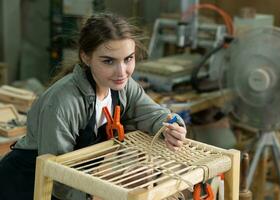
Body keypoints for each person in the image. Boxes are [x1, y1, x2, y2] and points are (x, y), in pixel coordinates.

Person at [0, 12, 187, 200]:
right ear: (86, 57)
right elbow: (59, 178)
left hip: (73, 184)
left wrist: (172, 126)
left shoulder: (123, 87)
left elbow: (155, 115)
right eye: (108, 61)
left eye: (128, 59)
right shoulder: (62, 103)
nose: (122, 72)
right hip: (25, 184)